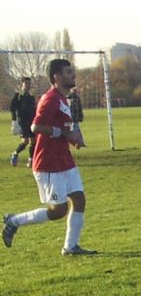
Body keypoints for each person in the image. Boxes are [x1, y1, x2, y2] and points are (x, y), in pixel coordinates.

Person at [3, 58, 95, 255]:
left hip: (64, 159)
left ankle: (70, 247)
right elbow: (36, 127)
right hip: (49, 162)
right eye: (69, 72)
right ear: (57, 77)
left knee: (79, 199)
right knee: (58, 211)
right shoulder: (50, 98)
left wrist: (74, 138)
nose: (73, 75)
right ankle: (14, 221)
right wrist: (63, 133)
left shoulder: (63, 98)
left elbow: (63, 127)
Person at [9, 76, 35, 167]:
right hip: (22, 121)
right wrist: (14, 121)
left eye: (29, 84)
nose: (28, 86)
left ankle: (31, 160)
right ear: (22, 84)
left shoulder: (31, 96)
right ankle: (15, 154)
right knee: (25, 141)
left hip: (31, 121)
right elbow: (12, 108)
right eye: (26, 84)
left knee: (33, 141)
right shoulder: (18, 95)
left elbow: (34, 109)